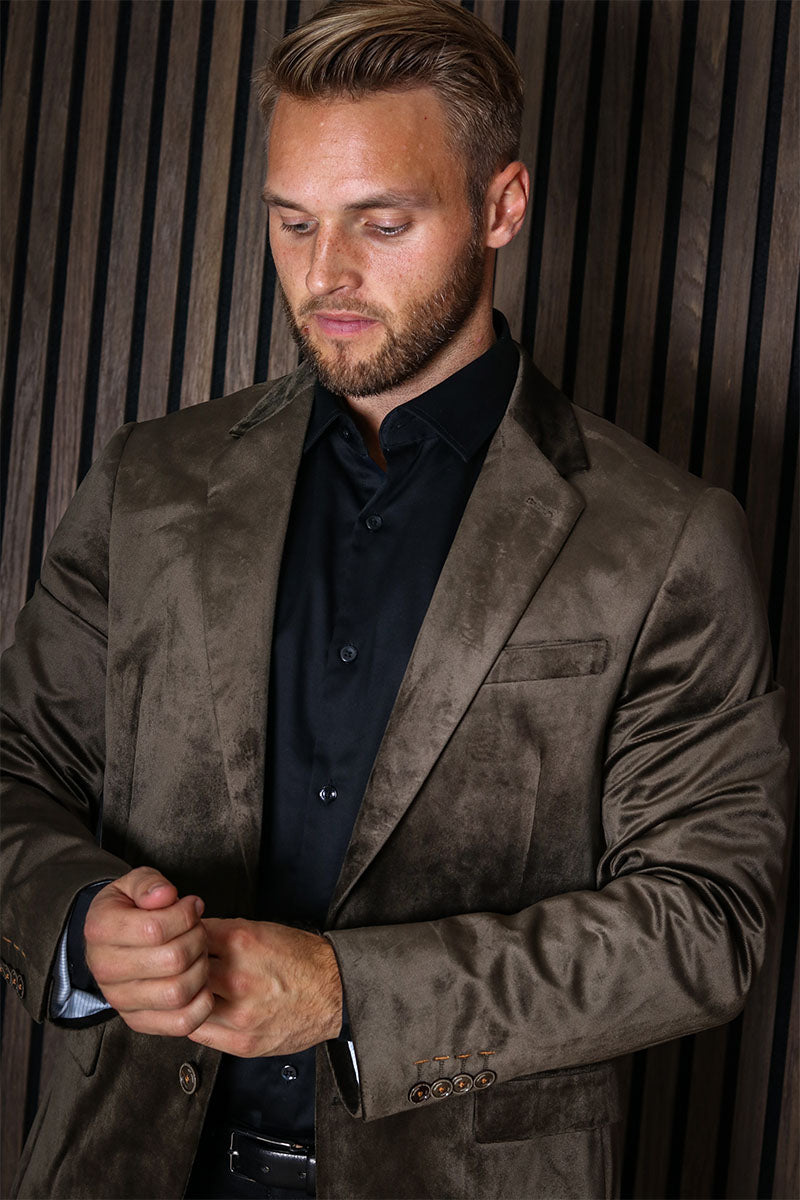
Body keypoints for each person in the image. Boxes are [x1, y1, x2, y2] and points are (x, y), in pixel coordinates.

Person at [0, 2, 789, 1198]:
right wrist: (78, 921)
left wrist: (347, 992)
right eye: (293, 221)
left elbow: (704, 921)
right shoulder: (146, 482)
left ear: (500, 207)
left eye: (381, 221)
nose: (325, 274)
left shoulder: (664, 540)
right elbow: (16, 769)